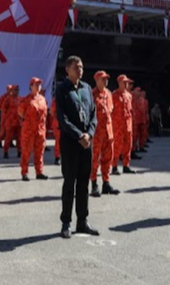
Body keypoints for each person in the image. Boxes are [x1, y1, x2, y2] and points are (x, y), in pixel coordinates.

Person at [55, 55, 99, 238]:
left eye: (81, 67)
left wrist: (89, 133)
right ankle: (66, 222)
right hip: (71, 142)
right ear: (68, 69)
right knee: (69, 183)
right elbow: (62, 118)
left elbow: (93, 115)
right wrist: (78, 135)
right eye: (76, 67)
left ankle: (83, 221)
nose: (80, 70)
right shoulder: (62, 89)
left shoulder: (87, 88)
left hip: (86, 143)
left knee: (83, 183)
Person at [89, 71, 119, 198]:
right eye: (103, 79)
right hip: (96, 132)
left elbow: (110, 111)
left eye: (106, 79)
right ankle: (94, 184)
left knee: (108, 157)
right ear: (96, 80)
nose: (106, 81)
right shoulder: (91, 95)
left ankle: (106, 183)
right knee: (94, 159)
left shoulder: (108, 94)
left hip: (108, 131)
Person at [18, 77, 49, 181]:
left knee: (39, 151)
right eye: (36, 84)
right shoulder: (26, 100)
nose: (38, 86)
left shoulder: (43, 99)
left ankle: (39, 172)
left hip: (40, 130)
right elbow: (20, 112)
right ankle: (24, 172)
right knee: (26, 151)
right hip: (29, 130)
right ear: (31, 86)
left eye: (39, 84)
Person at [112, 74, 137, 175]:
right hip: (118, 125)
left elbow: (130, 110)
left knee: (128, 145)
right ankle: (114, 166)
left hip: (128, 125)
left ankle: (126, 165)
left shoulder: (129, 95)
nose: (127, 84)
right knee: (117, 146)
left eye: (127, 82)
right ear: (119, 83)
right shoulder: (114, 95)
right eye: (124, 82)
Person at [0, 85, 22, 158]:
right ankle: (5, 152)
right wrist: (7, 117)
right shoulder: (8, 99)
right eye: (15, 90)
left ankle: (19, 151)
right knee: (8, 138)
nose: (17, 91)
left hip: (18, 122)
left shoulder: (20, 99)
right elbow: (3, 108)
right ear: (12, 91)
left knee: (19, 138)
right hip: (10, 122)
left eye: (18, 90)